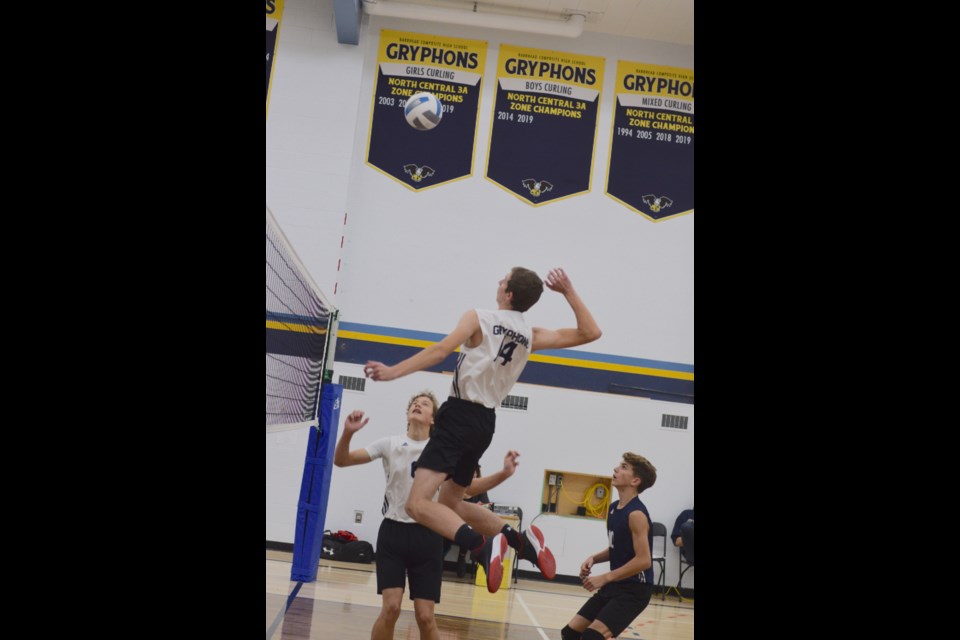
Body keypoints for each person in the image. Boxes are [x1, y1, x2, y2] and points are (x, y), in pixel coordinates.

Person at [364, 267, 602, 592]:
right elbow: (591, 332)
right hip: (485, 423)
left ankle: (483, 547)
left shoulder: (479, 317)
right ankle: (519, 540)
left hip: (458, 415)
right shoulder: (530, 335)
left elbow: (440, 352)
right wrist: (569, 290)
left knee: (417, 504)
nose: (498, 282)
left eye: (503, 280)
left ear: (509, 294)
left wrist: (393, 372)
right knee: (449, 503)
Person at [333, 391, 519, 640]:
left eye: (424, 404)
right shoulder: (390, 444)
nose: (417, 405)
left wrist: (504, 474)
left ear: (434, 419)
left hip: (428, 535)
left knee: (425, 616)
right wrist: (348, 432)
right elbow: (342, 460)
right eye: (414, 403)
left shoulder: (442, 452)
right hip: (393, 533)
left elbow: (467, 489)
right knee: (391, 608)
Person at [561, 453, 658, 640]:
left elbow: (644, 560)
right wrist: (594, 558)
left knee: (591, 637)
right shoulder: (614, 508)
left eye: (624, 467)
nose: (616, 469)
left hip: (634, 590)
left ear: (635, 480)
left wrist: (605, 577)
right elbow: (617, 548)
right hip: (615, 585)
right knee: (570, 633)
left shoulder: (636, 514)